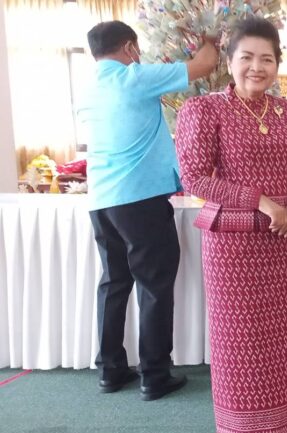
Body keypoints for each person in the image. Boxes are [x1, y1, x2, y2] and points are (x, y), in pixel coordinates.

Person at [175, 18, 287, 433]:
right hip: (234, 249)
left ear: (277, 65)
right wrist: (262, 202)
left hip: (285, 241)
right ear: (230, 62)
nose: (257, 67)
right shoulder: (205, 110)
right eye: (247, 57)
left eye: (266, 59)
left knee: (282, 340)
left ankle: (281, 423)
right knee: (244, 341)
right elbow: (195, 177)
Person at [79, 20, 216, 401]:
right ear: (129, 48)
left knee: (114, 283)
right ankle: (154, 375)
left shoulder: (88, 89)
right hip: (139, 199)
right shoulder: (135, 77)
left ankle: (110, 370)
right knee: (154, 286)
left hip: (100, 201)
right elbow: (205, 64)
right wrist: (210, 35)